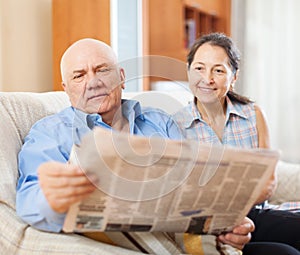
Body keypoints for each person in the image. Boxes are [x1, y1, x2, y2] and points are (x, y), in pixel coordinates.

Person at [16, 38, 253, 254]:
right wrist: (54, 198)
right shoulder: (50, 133)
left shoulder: (158, 121)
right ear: (66, 90)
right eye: (79, 76)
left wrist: (228, 224)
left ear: (121, 76)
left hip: (180, 233)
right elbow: (29, 203)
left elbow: (197, 183)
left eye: (102, 70)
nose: (93, 83)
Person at [173, 32, 300, 254]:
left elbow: (268, 180)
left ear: (234, 77)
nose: (207, 78)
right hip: (211, 226)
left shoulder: (253, 114)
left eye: (218, 70)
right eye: (199, 68)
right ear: (188, 71)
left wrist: (237, 209)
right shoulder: (175, 125)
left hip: (254, 215)